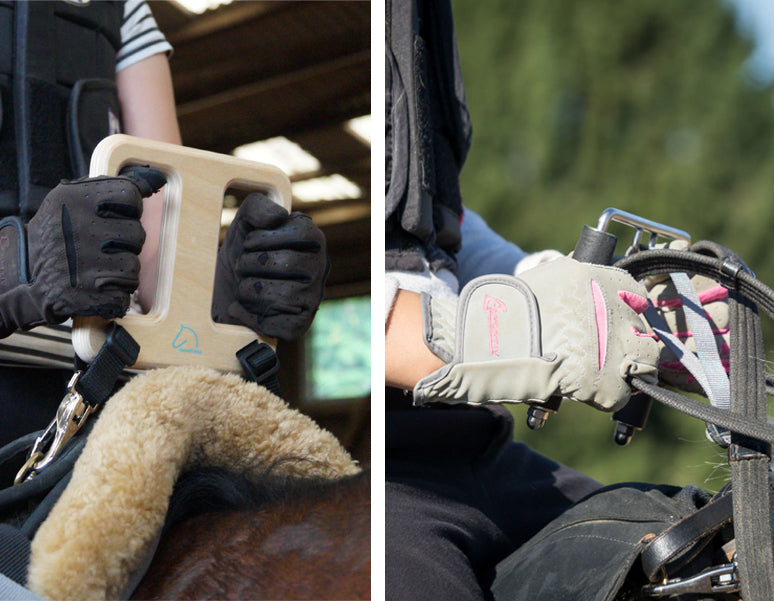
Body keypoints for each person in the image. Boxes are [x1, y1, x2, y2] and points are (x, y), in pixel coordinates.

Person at [384, 0, 664, 599]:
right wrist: (515, 333)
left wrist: (553, 283)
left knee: (685, 538)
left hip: (478, 442)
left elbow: (437, 224)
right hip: (384, 466)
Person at [0, 0, 327, 448]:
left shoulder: (124, 9)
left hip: (105, 386)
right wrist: (16, 269)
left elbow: (159, 231)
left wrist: (225, 294)